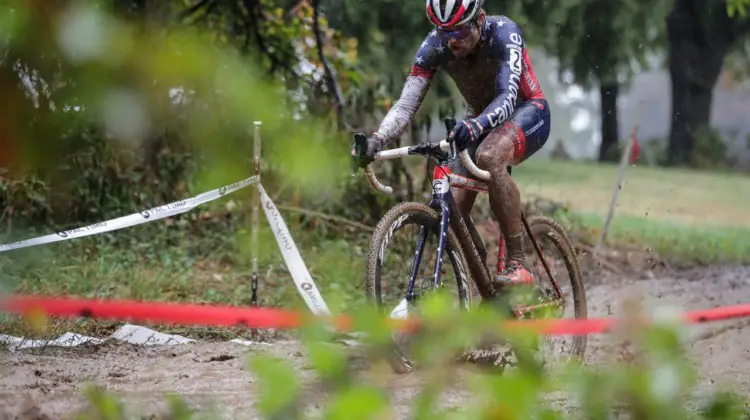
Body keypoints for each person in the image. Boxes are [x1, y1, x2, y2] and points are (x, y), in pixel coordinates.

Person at [362, 0, 551, 287]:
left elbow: (507, 96)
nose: (451, 41)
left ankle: (518, 263)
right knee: (451, 210)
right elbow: (405, 105)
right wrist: (377, 138)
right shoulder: (434, 45)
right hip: (478, 119)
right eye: (444, 32)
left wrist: (475, 126)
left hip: (526, 110)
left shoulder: (504, 33)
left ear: (480, 20)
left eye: (459, 32)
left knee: (490, 155)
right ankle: (485, 284)